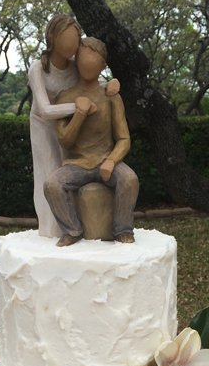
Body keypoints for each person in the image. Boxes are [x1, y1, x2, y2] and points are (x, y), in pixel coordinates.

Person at [28, 14, 119, 237]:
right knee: (48, 171)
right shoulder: (38, 68)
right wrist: (78, 108)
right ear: (52, 37)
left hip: (70, 125)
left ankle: (74, 223)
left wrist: (109, 85)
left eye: (75, 38)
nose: (72, 44)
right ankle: (50, 228)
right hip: (43, 127)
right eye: (66, 37)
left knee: (68, 169)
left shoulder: (74, 67)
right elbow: (45, 110)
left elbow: (93, 81)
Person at [44, 37, 139, 247]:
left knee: (129, 179)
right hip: (77, 163)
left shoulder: (111, 95)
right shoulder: (65, 96)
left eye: (94, 57)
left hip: (105, 159)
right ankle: (72, 229)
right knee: (52, 185)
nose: (88, 61)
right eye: (84, 55)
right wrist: (79, 113)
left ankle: (123, 229)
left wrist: (111, 161)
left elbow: (124, 138)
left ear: (103, 65)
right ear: (76, 60)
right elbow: (65, 141)